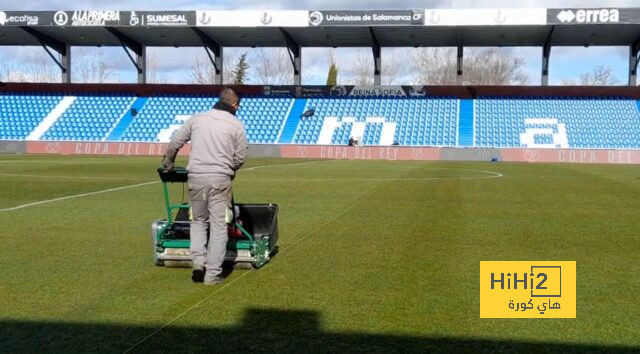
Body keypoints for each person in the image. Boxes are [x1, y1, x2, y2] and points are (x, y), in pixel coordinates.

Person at [162, 87, 247, 286]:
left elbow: (175, 143)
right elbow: (241, 156)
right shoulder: (236, 125)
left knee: (198, 221)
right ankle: (212, 275)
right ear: (235, 105)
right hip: (220, 180)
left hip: (196, 178)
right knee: (218, 226)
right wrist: (230, 169)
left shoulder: (197, 118)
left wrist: (169, 163)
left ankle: (198, 264)